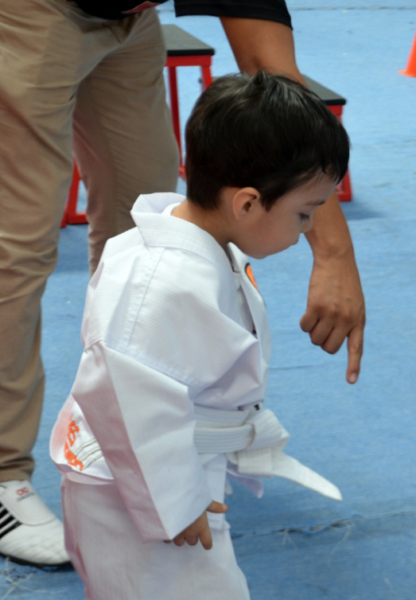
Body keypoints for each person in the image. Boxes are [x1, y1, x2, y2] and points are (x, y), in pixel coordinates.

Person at [0, 0, 365, 566]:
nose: (305, 226)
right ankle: (1, 475)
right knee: (16, 246)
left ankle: (149, 438)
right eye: (302, 215)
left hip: (127, 16)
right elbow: (265, 71)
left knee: (155, 225)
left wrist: (337, 255)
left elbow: (274, 78)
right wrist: (333, 253)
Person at [50, 71, 349, 599]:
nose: (308, 229)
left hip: (161, 467)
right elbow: (126, 403)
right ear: (248, 203)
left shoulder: (200, 244)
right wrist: (175, 500)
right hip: (129, 486)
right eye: (304, 214)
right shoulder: (159, 286)